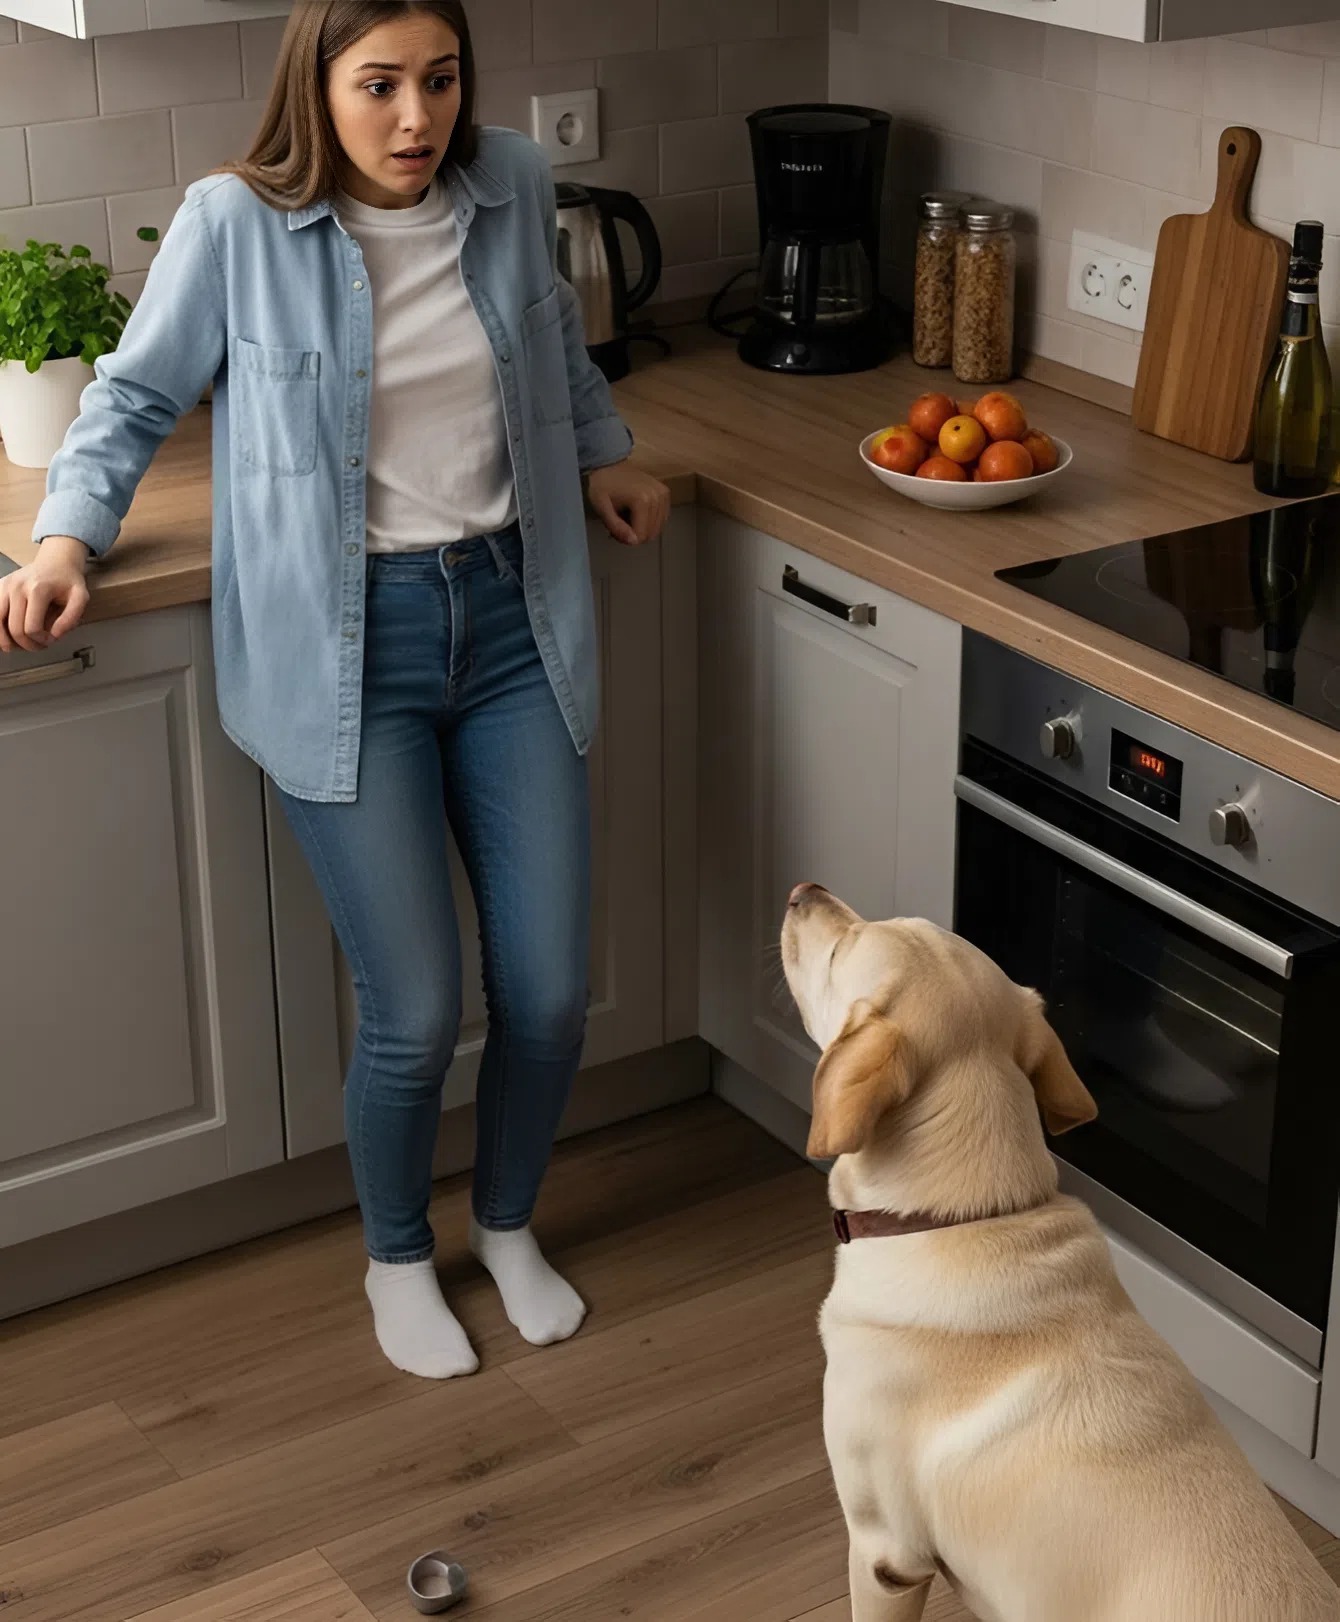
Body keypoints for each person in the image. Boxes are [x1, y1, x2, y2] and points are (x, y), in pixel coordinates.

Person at [0, 0, 670, 1380]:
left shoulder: (512, 188)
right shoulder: (233, 224)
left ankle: (507, 1221)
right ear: (318, 83)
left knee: (547, 993)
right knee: (416, 1008)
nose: (416, 118)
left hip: (514, 624)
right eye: (380, 85)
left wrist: (604, 451)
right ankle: (397, 1255)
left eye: (440, 80)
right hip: (344, 653)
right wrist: (66, 534)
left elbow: (549, 342)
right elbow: (131, 399)